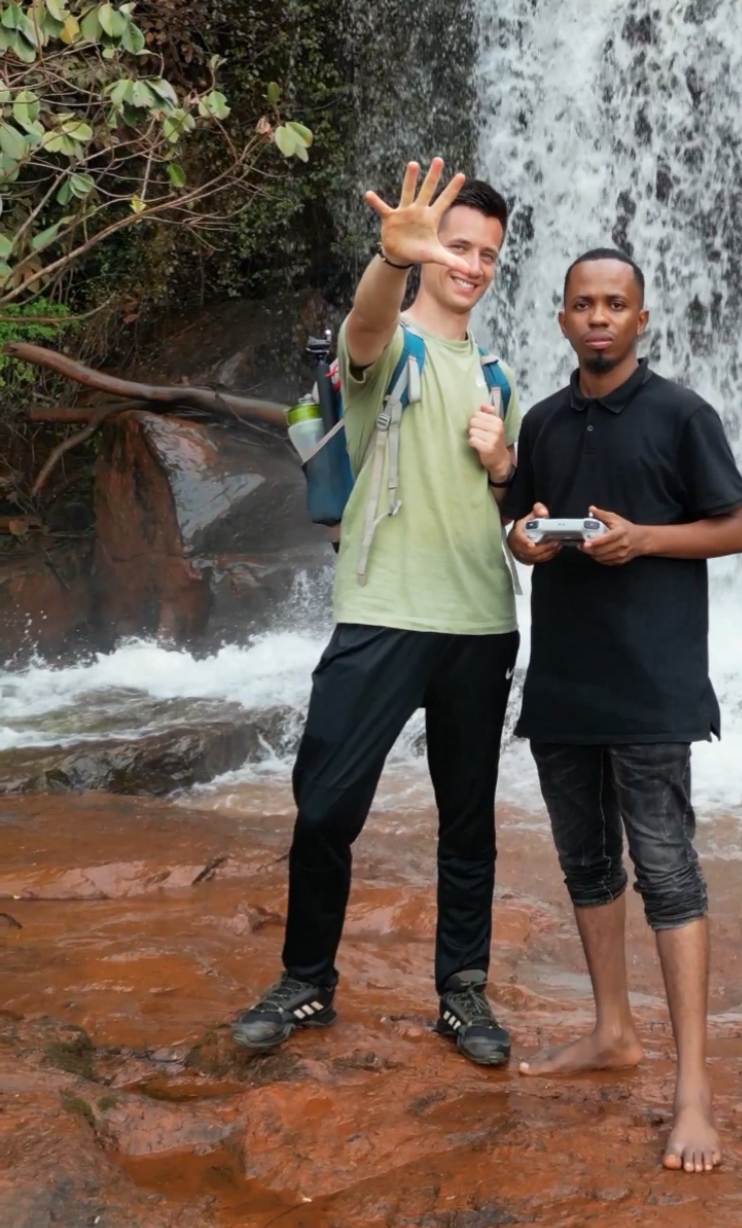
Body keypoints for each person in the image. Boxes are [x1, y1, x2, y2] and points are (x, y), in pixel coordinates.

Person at [233, 159, 521, 1068]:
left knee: (467, 818)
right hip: (382, 614)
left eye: (485, 254)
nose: (469, 264)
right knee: (324, 808)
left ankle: (462, 989)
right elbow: (360, 329)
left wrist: (505, 462)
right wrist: (392, 259)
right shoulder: (388, 345)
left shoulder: (499, 373)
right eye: (456, 247)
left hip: (480, 619)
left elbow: (502, 502)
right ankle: (306, 979)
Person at [504, 247, 742, 1171]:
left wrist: (644, 540)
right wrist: (524, 542)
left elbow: (738, 526)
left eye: (615, 303)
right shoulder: (540, 421)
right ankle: (611, 1032)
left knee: (667, 873)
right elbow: (523, 521)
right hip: (562, 684)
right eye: (583, 304)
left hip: (652, 687)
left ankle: (693, 1093)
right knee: (584, 863)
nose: (599, 316)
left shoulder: (683, 414)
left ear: (641, 317)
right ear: (561, 317)